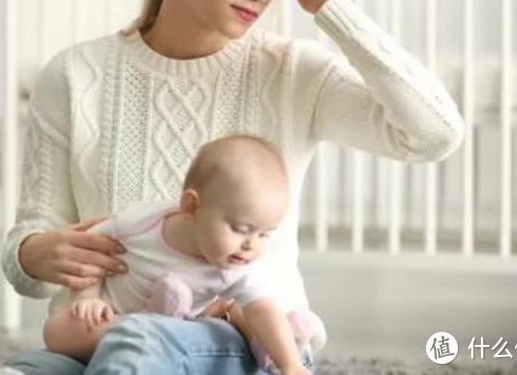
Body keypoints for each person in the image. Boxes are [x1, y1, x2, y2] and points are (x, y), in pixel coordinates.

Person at [2, 0, 465, 375]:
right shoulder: (74, 75)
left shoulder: (293, 73)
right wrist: (34, 254)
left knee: (138, 346)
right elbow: (31, 248)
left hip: (243, 343)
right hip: (94, 343)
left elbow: (435, 134)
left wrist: (329, 5)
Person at [42, 135, 324, 375]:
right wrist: (87, 298)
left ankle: (273, 342)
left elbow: (262, 309)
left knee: (233, 315)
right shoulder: (144, 222)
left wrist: (292, 368)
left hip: (172, 333)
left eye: (264, 234)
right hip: (109, 320)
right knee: (55, 334)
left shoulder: (235, 266)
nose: (251, 246)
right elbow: (87, 245)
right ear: (191, 207)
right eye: (241, 229)